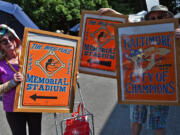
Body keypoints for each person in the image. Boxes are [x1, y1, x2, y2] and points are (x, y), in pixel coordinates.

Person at [98, 5, 180, 135]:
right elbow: (128, 23)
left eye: (160, 16)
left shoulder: (175, 32)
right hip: (139, 84)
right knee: (135, 119)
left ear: (168, 17)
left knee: (158, 123)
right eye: (152, 17)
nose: (155, 19)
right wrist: (113, 12)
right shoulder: (142, 30)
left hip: (161, 86)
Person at [0, 24, 42, 135]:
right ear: (1, 46)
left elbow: (48, 69)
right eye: (4, 41)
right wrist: (12, 82)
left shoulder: (29, 53)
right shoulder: (1, 64)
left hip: (33, 104)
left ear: (15, 38)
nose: (9, 42)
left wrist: (68, 75)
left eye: (11, 38)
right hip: (13, 109)